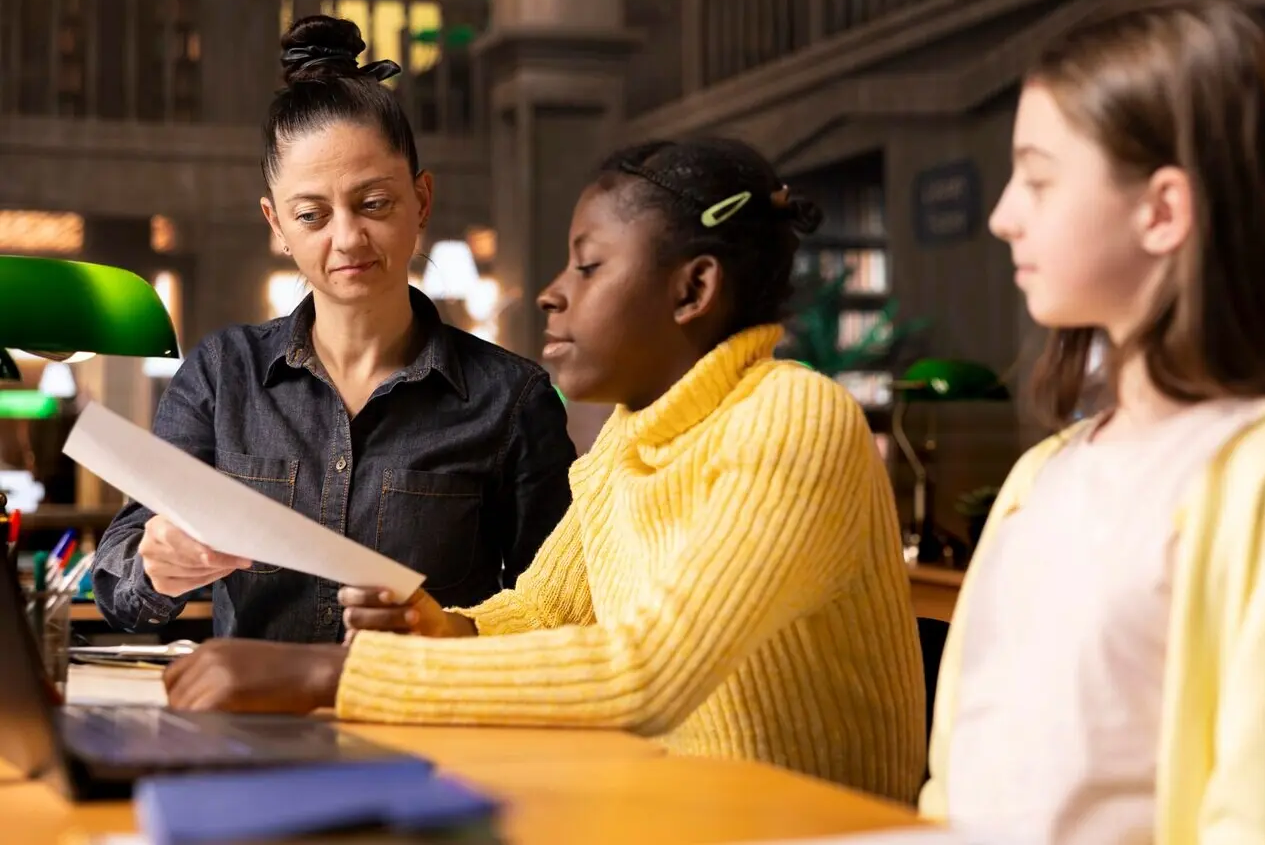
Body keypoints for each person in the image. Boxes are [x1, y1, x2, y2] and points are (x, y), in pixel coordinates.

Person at [160, 137, 928, 804]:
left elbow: (650, 669)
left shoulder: (794, 413)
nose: (552, 293)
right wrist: (448, 626)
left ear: (693, 289)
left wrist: (323, 677)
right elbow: (541, 610)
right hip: (671, 814)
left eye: (588, 267)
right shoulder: (623, 447)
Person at [918, 0, 1265, 844]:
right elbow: (955, 777)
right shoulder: (1039, 477)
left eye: (1040, 178)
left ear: (1163, 210)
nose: (1003, 215)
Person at [93, 16, 576, 642]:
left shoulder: (510, 400)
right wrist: (155, 567)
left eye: (374, 204)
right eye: (311, 214)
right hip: (252, 728)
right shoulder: (222, 374)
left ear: (422, 201)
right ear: (275, 223)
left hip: (429, 727)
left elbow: (563, 614)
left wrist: (455, 632)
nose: (347, 238)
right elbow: (118, 591)